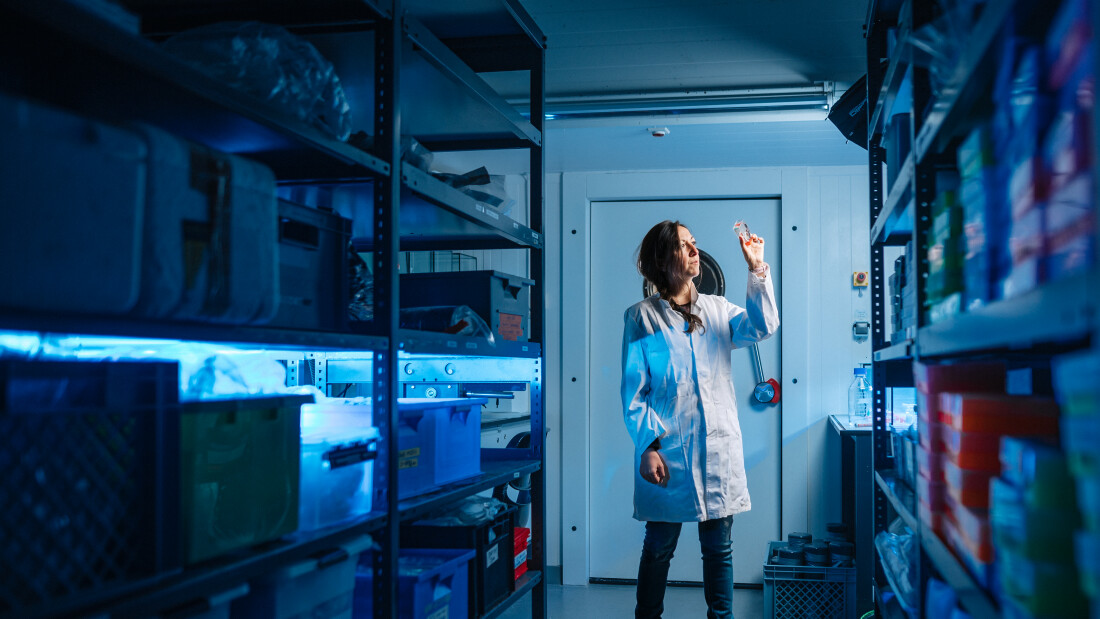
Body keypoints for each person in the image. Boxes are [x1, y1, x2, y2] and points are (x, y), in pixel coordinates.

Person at [621, 220, 779, 619]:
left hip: (717, 451)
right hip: (668, 454)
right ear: (663, 258)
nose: (693, 249)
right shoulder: (642, 317)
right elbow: (634, 391)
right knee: (658, 547)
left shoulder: (719, 310)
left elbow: (764, 326)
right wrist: (648, 446)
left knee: (719, 549)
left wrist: (757, 269)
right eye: (682, 244)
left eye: (694, 243)